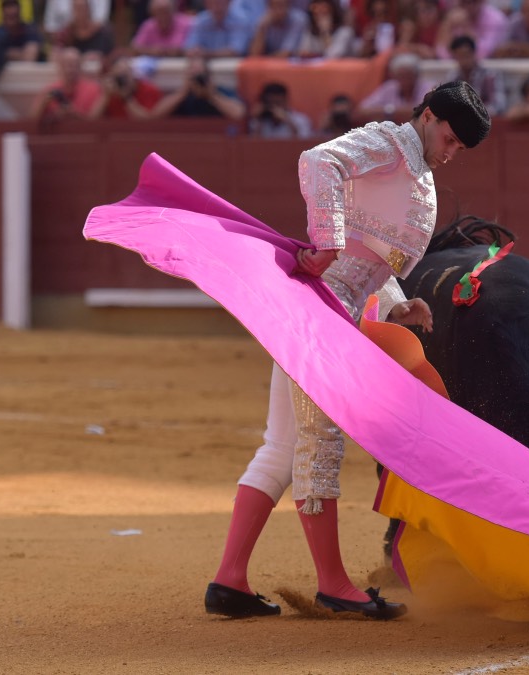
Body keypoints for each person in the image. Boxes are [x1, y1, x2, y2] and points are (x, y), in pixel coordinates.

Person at [204, 80, 492, 620]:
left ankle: (230, 580)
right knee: (319, 440)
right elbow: (317, 161)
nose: (450, 154)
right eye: (450, 139)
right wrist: (327, 238)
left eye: (459, 149)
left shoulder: (418, 172)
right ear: (428, 117)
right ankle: (334, 584)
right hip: (318, 312)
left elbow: (370, 262)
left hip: (333, 308)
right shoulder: (389, 143)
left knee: (282, 445)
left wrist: (398, 304)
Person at [151, 55, 246, 119]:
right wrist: (183, 93)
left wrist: (211, 95)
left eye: (200, 75)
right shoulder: (180, 94)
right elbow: (156, 114)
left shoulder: (219, 92)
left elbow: (239, 113)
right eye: (193, 75)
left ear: (209, 77)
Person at [30, 46, 102, 123]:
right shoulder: (50, 91)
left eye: (74, 64)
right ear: (60, 67)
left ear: (80, 66)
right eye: (67, 64)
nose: (70, 69)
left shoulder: (94, 90)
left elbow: (96, 123)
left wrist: (74, 114)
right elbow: (31, 121)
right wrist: (44, 104)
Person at [354, 52, 434, 121]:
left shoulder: (427, 87)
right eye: (400, 76)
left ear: (416, 75)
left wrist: (388, 112)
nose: (404, 80)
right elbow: (362, 110)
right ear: (394, 76)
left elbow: (423, 111)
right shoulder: (389, 87)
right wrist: (393, 112)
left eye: (408, 76)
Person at [444, 35, 506, 115]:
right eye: (460, 56)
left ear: (473, 53)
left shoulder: (490, 75)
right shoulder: (453, 77)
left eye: (466, 54)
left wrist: (476, 113)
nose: (464, 60)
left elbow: (499, 105)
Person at [88, 51, 164, 118]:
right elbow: (91, 122)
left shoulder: (148, 89)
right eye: (120, 76)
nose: (124, 80)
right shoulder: (107, 91)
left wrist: (127, 98)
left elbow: (148, 123)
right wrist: (105, 96)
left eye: (126, 74)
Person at [434, 0, 510, 59]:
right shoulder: (455, 18)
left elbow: (482, 54)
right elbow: (442, 53)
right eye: (464, 1)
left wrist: (467, 27)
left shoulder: (496, 19)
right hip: (458, 72)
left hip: (491, 73)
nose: (469, 4)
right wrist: (447, 26)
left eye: (472, 1)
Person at [184, 0, 253, 58]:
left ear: (229, 2)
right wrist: (195, 51)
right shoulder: (201, 20)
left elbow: (236, 51)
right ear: (205, 3)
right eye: (212, 1)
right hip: (207, 67)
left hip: (234, 70)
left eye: (220, 1)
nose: (217, 5)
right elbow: (189, 47)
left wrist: (205, 54)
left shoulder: (241, 20)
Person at [52, 0, 116, 60]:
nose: (80, 12)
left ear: (88, 9)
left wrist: (100, 57)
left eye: (82, 8)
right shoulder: (66, 32)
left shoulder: (102, 31)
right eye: (77, 9)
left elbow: (112, 55)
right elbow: (57, 52)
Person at [131, 0, 195, 57]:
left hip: (180, 62)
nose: (162, 16)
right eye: (158, 12)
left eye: (165, 11)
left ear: (173, 11)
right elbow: (135, 48)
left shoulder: (186, 23)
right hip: (154, 63)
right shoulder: (148, 25)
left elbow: (191, 49)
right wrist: (150, 51)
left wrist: (170, 51)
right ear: (152, 13)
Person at [247, 81, 313, 137]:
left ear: (285, 101)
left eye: (277, 103)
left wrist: (287, 120)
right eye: (270, 103)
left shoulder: (300, 120)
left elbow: (303, 143)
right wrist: (258, 119)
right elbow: (254, 144)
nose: (274, 107)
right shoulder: (258, 121)